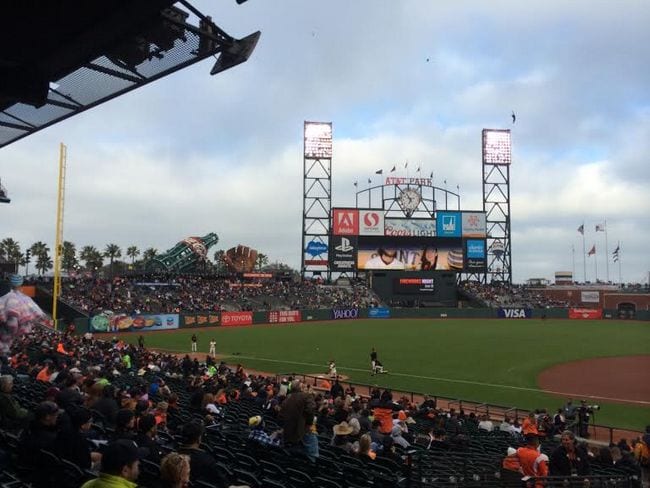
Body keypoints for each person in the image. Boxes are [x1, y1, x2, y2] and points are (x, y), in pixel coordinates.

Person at [279, 379, 318, 460]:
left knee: (292, 454)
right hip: (302, 432)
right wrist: (308, 423)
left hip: (288, 432)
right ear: (299, 388)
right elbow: (311, 410)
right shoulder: (306, 396)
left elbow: (280, 416)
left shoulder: (287, 398)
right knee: (312, 455)